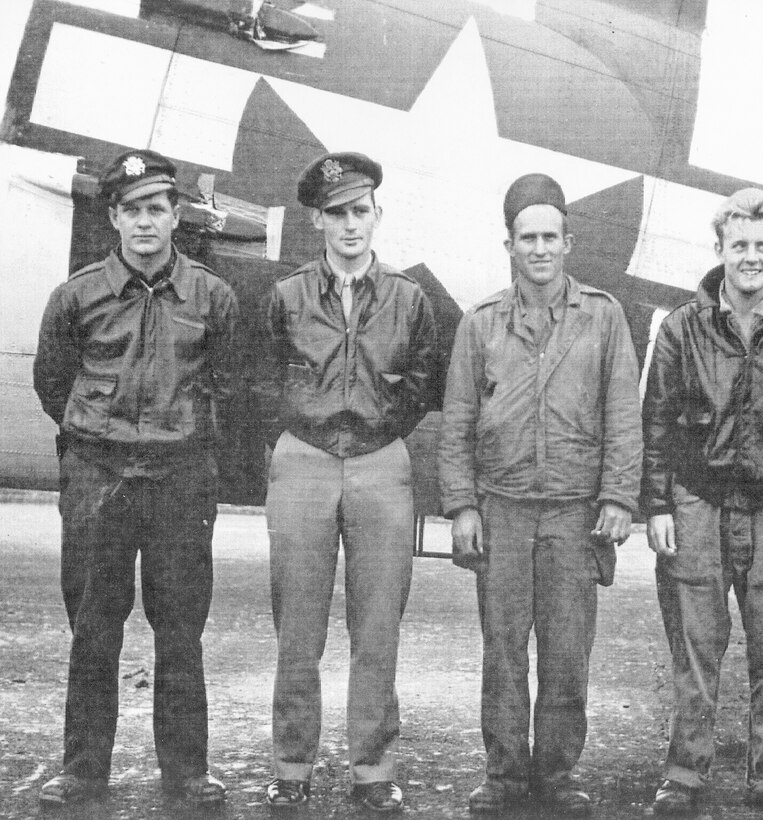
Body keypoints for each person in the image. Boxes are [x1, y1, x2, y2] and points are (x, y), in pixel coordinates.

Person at [33, 149, 237, 808]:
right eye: (132, 210)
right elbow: (53, 384)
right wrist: (96, 444)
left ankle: (186, 777)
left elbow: (234, 387)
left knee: (180, 633)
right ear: (113, 217)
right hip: (99, 478)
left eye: (157, 208)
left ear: (176, 214)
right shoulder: (78, 295)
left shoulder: (213, 295)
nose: (145, 222)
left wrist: (190, 447)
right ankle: (82, 775)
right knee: (94, 630)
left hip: (179, 481)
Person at [439, 173, 643, 816]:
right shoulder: (480, 324)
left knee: (565, 653)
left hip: (573, 512)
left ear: (569, 242)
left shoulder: (604, 317)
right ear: (509, 244)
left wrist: (617, 496)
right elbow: (458, 422)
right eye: (527, 237)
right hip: (502, 508)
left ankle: (556, 775)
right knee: (502, 651)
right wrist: (462, 507)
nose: (540, 248)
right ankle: (503, 776)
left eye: (551, 236)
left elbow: (622, 415)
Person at [641, 188, 763, 818]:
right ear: (720, 248)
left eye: (762, 246)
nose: (750, 258)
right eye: (739, 245)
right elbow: (657, 423)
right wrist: (660, 506)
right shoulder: (681, 329)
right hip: (698, 504)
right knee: (695, 652)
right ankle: (684, 774)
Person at [257, 152, 436, 812]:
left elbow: (422, 381)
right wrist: (301, 426)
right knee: (297, 626)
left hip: (380, 461)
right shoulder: (287, 296)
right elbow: (263, 377)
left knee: (378, 622)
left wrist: (379, 424)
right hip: (303, 458)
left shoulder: (409, 299)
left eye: (361, 211)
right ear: (317, 221)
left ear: (377, 215)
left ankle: (374, 768)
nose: (351, 224)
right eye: (337, 214)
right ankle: (291, 765)